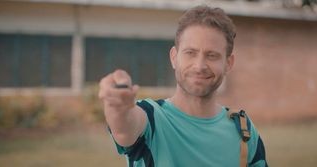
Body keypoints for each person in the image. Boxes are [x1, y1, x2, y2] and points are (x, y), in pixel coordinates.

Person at [98, 5, 268, 167]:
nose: (200, 65)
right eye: (190, 53)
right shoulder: (151, 118)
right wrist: (118, 108)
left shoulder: (243, 129)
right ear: (174, 57)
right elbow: (124, 128)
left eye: (212, 55)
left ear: (228, 63)